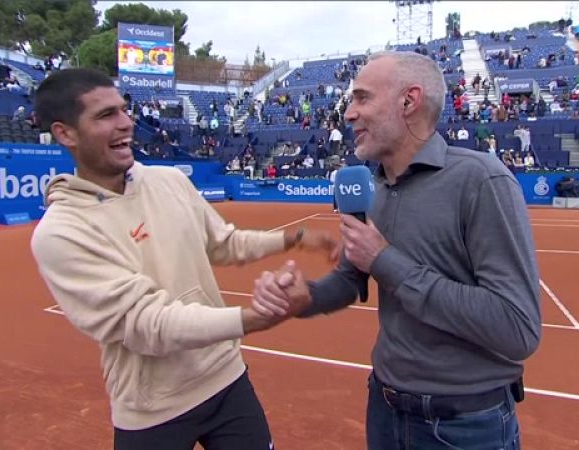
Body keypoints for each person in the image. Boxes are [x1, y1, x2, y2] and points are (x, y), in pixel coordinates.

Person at [29, 68, 339, 450]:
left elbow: (223, 243)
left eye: (123, 110)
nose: (126, 123)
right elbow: (147, 323)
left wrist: (294, 238)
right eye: (106, 115)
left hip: (225, 379)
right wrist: (256, 317)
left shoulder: (169, 181)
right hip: (152, 409)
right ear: (66, 134)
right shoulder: (61, 231)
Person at [251, 51, 541, 449]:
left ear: (409, 101)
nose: (349, 114)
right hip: (385, 409)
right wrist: (306, 298)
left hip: (464, 425)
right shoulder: (374, 188)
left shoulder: (481, 181)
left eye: (362, 98)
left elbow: (517, 328)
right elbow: (352, 278)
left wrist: (386, 260)